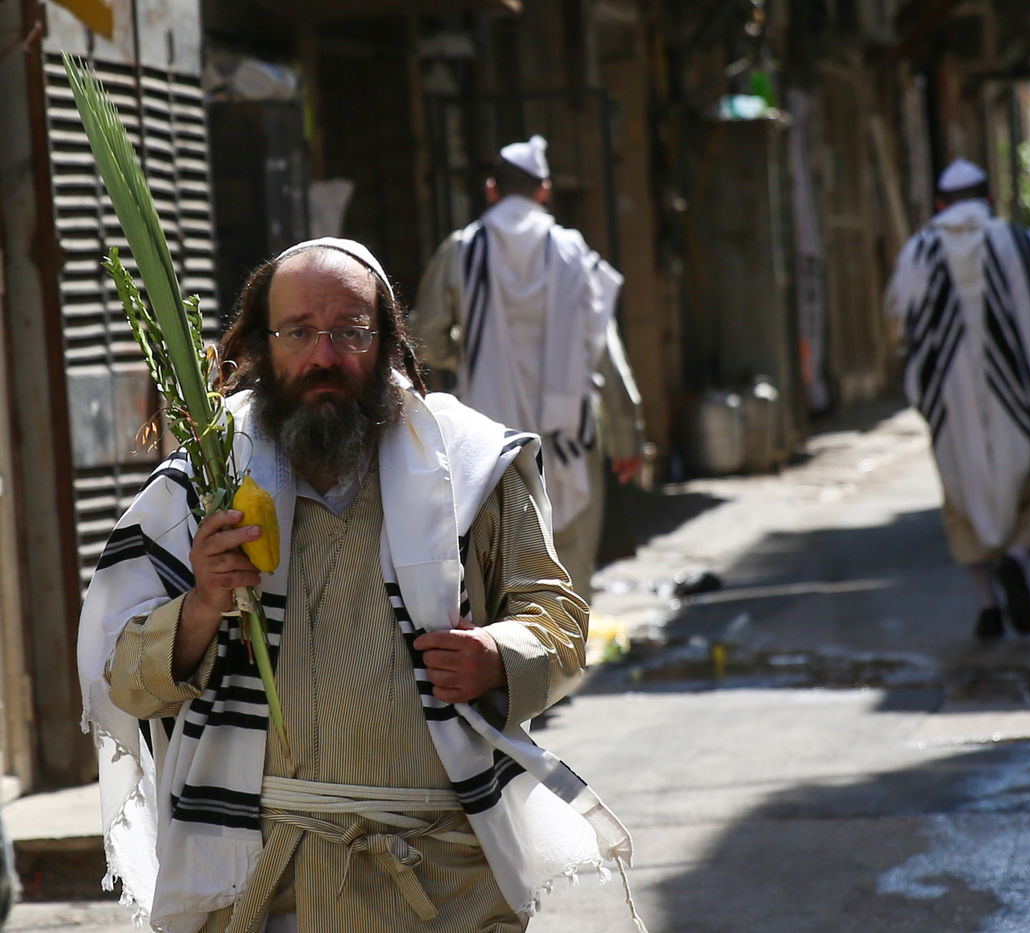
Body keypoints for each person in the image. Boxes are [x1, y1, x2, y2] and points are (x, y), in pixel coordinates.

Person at [75, 238, 637, 932]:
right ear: (259, 346)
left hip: (445, 883)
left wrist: (498, 655)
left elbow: (559, 620)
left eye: (350, 332)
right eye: (298, 332)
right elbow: (125, 683)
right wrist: (202, 606)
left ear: (388, 342)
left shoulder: (471, 465)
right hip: (264, 886)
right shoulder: (203, 486)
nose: (324, 356)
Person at [410, 135, 644, 605]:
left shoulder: (462, 249)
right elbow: (603, 349)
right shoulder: (573, 252)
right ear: (544, 190)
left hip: (487, 441)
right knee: (570, 566)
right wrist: (627, 436)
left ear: (492, 190)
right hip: (569, 437)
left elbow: (425, 339)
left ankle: (507, 646)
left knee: (496, 562)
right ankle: (566, 646)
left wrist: (468, 355)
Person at [885, 158, 1030, 641]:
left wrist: (909, 379)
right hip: (1019, 391)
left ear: (941, 204)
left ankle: (987, 606)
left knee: (962, 495)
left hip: (949, 401)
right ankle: (1016, 557)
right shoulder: (1022, 243)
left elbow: (896, 326)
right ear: (989, 197)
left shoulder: (917, 251)